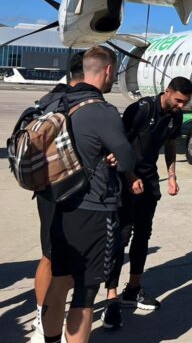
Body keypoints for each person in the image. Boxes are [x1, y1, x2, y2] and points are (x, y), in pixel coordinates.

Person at [42, 46, 139, 343]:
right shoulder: (102, 111)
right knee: (85, 293)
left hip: (60, 206)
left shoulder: (56, 103)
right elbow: (127, 160)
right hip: (94, 210)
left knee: (58, 283)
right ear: (108, 71)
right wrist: (111, 155)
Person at [101, 77, 192, 329]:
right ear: (167, 92)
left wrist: (172, 176)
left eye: (185, 103)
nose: (181, 106)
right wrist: (130, 176)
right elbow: (118, 146)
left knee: (143, 235)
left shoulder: (175, 116)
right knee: (121, 236)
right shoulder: (141, 110)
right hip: (125, 178)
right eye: (178, 101)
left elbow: (170, 143)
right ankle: (111, 297)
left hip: (149, 180)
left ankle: (133, 289)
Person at [32, 51, 84, 339]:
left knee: (51, 256)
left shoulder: (48, 99)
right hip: (63, 188)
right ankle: (45, 319)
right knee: (54, 259)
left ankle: (44, 315)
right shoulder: (69, 102)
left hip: (46, 188)